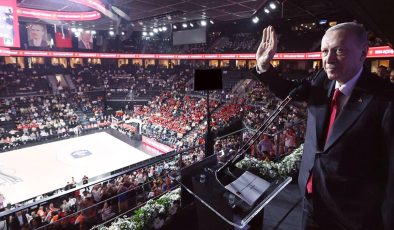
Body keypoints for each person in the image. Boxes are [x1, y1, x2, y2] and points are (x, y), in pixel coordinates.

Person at [254, 23, 394, 230]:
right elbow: (290, 91)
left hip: (354, 216)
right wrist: (264, 67)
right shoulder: (321, 80)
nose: (328, 60)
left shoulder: (386, 99)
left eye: (339, 50)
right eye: (325, 51)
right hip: (312, 202)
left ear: (364, 52)